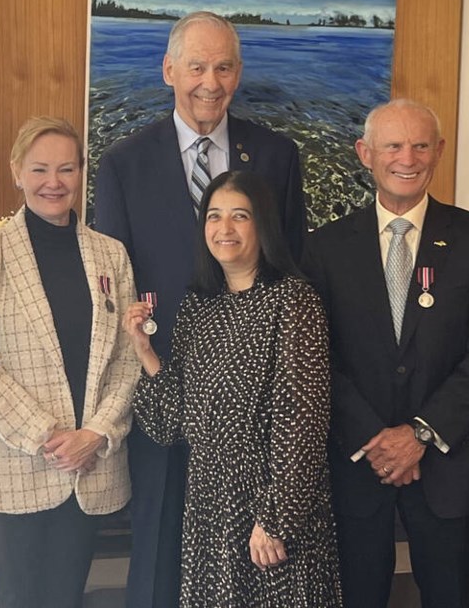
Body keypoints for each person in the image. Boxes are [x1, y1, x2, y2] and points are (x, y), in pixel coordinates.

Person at [93, 10, 306, 608]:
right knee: (159, 555)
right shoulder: (123, 163)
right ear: (169, 71)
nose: (209, 81)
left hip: (254, 409)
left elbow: (291, 268)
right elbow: (111, 288)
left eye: (223, 66)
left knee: (252, 566)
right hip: (164, 391)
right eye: (196, 66)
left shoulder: (278, 156)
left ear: (238, 74)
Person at [302, 98, 469, 608]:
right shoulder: (323, 248)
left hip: (451, 468)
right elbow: (313, 357)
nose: (408, 157)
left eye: (421, 145)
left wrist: (420, 434)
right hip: (357, 468)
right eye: (393, 145)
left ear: (438, 152)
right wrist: (372, 439)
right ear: (365, 154)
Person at [122, 170, 342, 607]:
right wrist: (145, 352)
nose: (224, 229)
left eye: (240, 216)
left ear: (263, 225)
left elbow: (303, 422)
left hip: (271, 506)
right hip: (209, 504)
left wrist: (277, 518)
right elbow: (168, 425)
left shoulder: (294, 301)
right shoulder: (196, 305)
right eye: (214, 216)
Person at [0, 117, 138, 608]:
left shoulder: (110, 255)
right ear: (17, 171)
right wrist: (50, 439)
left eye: (66, 169)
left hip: (89, 464)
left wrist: (96, 433)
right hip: (15, 462)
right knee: (17, 599)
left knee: (65, 597)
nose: (53, 182)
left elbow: (127, 359)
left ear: (82, 172)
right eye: (39, 169)